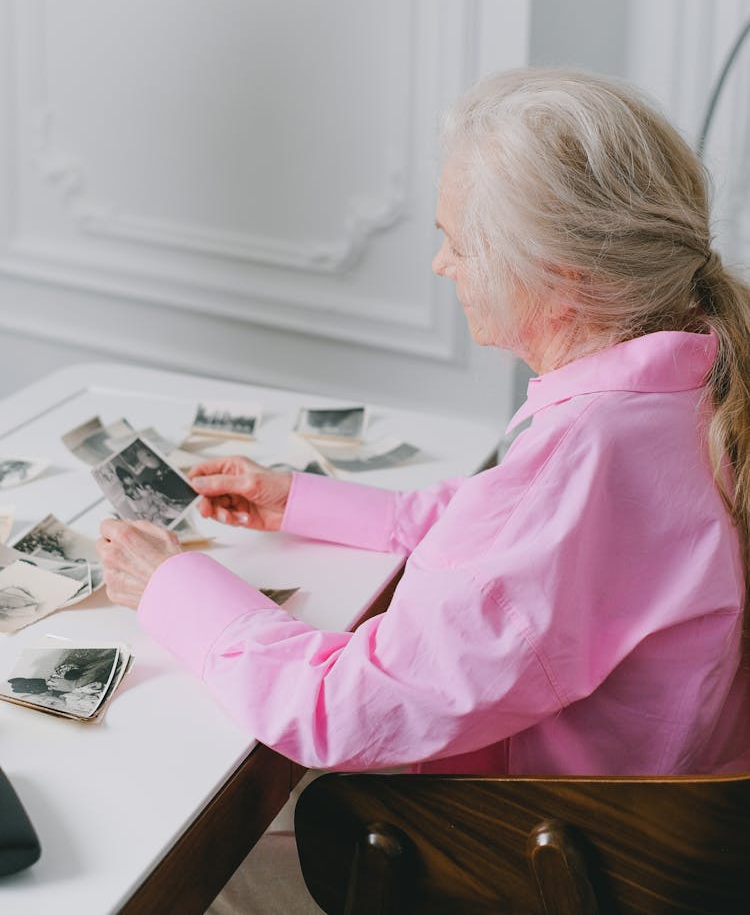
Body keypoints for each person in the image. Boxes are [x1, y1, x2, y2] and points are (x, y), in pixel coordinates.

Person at [99, 67, 750, 900]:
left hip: (552, 858)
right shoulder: (684, 382)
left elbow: (337, 710)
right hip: (672, 838)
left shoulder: (578, 463)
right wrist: (302, 499)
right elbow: (512, 537)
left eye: (459, 240)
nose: (442, 264)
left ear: (564, 278)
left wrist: (170, 582)